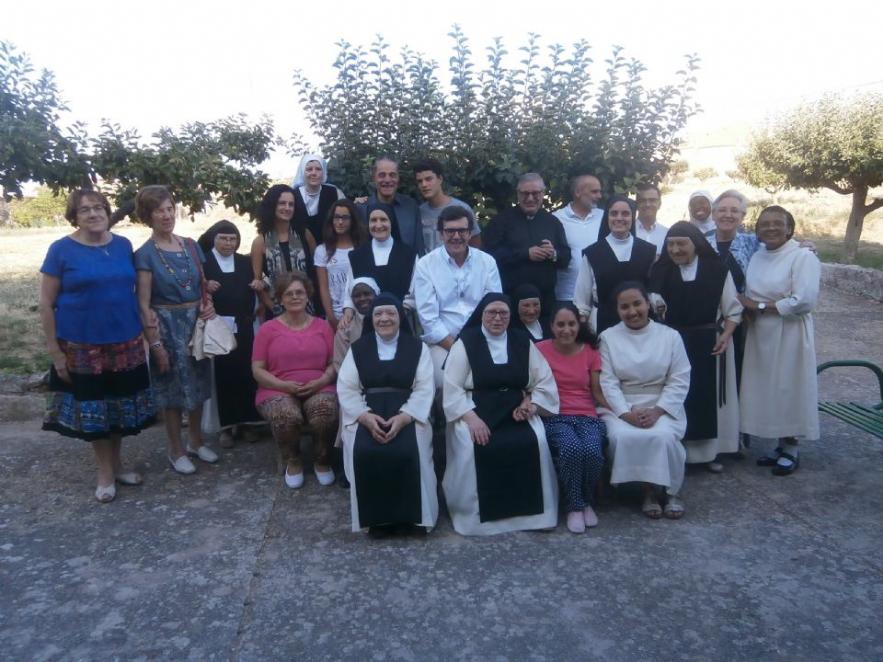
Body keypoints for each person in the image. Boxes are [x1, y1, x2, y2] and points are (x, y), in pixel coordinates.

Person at [39, 189, 155, 502]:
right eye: (85, 210)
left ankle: (117, 465)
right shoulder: (61, 250)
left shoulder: (123, 245)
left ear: (107, 211)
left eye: (98, 207)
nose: (93, 214)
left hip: (125, 341)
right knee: (96, 411)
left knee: (118, 409)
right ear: (74, 217)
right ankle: (104, 471)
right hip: (82, 345)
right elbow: (46, 304)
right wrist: (55, 352)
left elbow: (134, 291)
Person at [442, 293, 560, 535]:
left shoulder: (522, 341)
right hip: (475, 408)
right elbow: (452, 388)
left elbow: (543, 381)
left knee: (535, 440)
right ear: (481, 315)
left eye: (503, 313)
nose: (497, 318)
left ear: (510, 316)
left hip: (516, 409)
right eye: (491, 313)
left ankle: (535, 517)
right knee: (470, 443)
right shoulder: (466, 343)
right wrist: (472, 419)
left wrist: (531, 404)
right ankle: (475, 519)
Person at [134, 185, 218, 474]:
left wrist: (208, 305)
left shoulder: (191, 246)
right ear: (148, 216)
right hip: (167, 327)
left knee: (198, 384)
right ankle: (175, 449)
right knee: (172, 391)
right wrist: (155, 344)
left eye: (170, 208)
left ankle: (195, 441)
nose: (167, 215)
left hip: (196, 325)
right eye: (159, 210)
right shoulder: (145, 254)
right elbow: (143, 303)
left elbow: (203, 285)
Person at [338, 293, 437, 536]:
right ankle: (378, 521)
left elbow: (425, 388)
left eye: (391, 313)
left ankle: (414, 519)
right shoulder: (358, 349)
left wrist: (405, 417)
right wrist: (364, 417)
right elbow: (347, 388)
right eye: (378, 314)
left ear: (400, 317)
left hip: (409, 412)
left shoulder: (418, 348)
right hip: (368, 412)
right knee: (366, 450)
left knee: (409, 449)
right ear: (371, 318)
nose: (384, 318)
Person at [648, 222, 743, 473]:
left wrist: (727, 335)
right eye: (670, 244)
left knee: (706, 396)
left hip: (708, 341)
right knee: (678, 396)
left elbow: (733, 310)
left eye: (681, 244)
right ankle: (678, 452)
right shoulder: (660, 271)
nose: (675, 250)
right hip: (673, 343)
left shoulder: (717, 269)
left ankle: (709, 453)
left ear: (696, 244)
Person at [739, 206, 821, 476]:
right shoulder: (758, 256)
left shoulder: (802, 257)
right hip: (760, 333)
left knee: (787, 387)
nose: (771, 228)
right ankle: (779, 444)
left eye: (777, 223)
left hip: (789, 333)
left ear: (789, 228)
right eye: (764, 224)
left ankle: (792, 448)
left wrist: (760, 306)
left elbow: (803, 301)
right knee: (768, 390)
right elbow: (750, 293)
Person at [599, 282, 691, 519]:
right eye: (624, 307)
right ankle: (647, 490)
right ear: (617, 310)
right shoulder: (607, 337)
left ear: (648, 303)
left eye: (637, 304)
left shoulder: (670, 336)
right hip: (623, 404)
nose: (632, 311)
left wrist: (658, 410)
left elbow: (680, 378)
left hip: (662, 403)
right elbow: (608, 382)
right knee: (622, 436)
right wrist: (626, 413)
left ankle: (671, 492)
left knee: (663, 436)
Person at [251, 272, 338, 488]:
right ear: (280, 299)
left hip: (319, 386)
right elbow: (257, 369)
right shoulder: (267, 330)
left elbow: (334, 363)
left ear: (308, 296)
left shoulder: (323, 327)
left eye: (300, 292)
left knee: (325, 413)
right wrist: (283, 386)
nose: (295, 297)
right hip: (277, 389)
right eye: (288, 294)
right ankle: (293, 459)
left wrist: (321, 381)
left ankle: (322, 459)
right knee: (286, 416)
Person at [537, 304, 609, 533]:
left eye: (571, 324)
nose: (566, 330)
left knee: (593, 452)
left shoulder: (590, 352)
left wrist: (623, 411)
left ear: (579, 325)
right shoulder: (539, 350)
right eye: (560, 324)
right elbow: (532, 383)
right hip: (555, 416)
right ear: (551, 326)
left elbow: (597, 392)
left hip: (587, 416)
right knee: (571, 449)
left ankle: (585, 500)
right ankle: (574, 506)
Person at [414, 205, 501, 388]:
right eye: (450, 231)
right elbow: (429, 319)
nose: (456, 236)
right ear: (441, 234)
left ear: (470, 233)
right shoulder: (425, 265)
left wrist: (477, 345)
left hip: (483, 340)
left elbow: (494, 307)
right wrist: (458, 348)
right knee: (447, 383)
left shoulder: (487, 262)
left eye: (462, 231)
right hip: (443, 344)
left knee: (494, 381)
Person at [197, 220, 261, 448]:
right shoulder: (204, 262)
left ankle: (248, 423)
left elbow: (257, 284)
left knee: (246, 374)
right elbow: (194, 287)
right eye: (223, 238)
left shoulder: (244, 262)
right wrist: (205, 285)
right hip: (218, 327)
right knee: (223, 377)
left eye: (233, 239)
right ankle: (226, 426)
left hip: (244, 327)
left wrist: (259, 285)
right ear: (213, 239)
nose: (228, 243)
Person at [483, 173, 571, 321]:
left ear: (543, 193)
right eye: (525, 193)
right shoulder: (501, 221)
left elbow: (566, 257)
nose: (530, 198)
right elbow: (488, 257)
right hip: (510, 302)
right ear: (518, 194)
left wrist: (553, 254)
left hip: (545, 304)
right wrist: (525, 254)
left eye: (535, 193)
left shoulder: (552, 222)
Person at [574, 195, 656, 334]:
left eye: (625, 214)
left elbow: (653, 294)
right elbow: (582, 301)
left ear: (632, 217)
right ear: (607, 217)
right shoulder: (593, 253)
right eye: (614, 213)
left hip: (641, 324)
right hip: (604, 325)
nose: (619, 218)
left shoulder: (648, 251)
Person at [339, 203, 418, 324]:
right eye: (373, 220)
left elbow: (414, 292)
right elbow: (350, 289)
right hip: (366, 322)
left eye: (383, 219)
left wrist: (398, 313)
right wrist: (348, 311)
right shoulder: (356, 256)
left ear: (391, 222)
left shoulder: (409, 255)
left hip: (401, 319)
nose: (378, 225)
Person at [250, 184, 309, 319]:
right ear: (272, 206)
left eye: (291, 204)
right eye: (282, 203)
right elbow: (258, 284)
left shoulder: (305, 235)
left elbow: (314, 272)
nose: (287, 208)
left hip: (307, 309)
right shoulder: (260, 242)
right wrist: (276, 310)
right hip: (276, 312)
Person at [552, 174, 605, 304]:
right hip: (567, 297)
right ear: (577, 192)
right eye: (594, 192)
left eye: (600, 191)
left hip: (599, 297)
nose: (599, 196)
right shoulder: (556, 219)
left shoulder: (604, 217)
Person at [314, 200, 366, 330]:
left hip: (360, 313)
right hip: (335, 315)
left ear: (352, 220)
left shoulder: (361, 248)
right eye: (336, 217)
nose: (340, 222)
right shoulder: (322, 251)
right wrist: (331, 317)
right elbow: (323, 287)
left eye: (345, 218)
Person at [357, 156, 425, 255]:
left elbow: (419, 246)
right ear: (374, 178)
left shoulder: (410, 206)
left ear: (398, 178)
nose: (388, 179)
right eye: (382, 175)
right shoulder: (361, 209)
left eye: (392, 175)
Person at [414, 158, 481, 251]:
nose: (424, 184)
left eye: (428, 179)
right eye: (420, 181)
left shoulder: (462, 208)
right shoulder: (419, 212)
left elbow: (475, 243)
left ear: (440, 179)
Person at [290, 153, 346, 248]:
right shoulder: (293, 195)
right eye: (309, 169)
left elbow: (347, 212)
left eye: (318, 169)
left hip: (331, 248)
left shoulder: (334, 192)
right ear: (303, 172)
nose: (314, 173)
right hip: (301, 250)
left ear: (323, 172)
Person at [635, 183, 669, 257]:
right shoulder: (627, 232)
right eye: (643, 200)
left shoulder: (667, 234)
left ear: (659, 204)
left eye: (652, 200)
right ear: (636, 204)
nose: (647, 204)